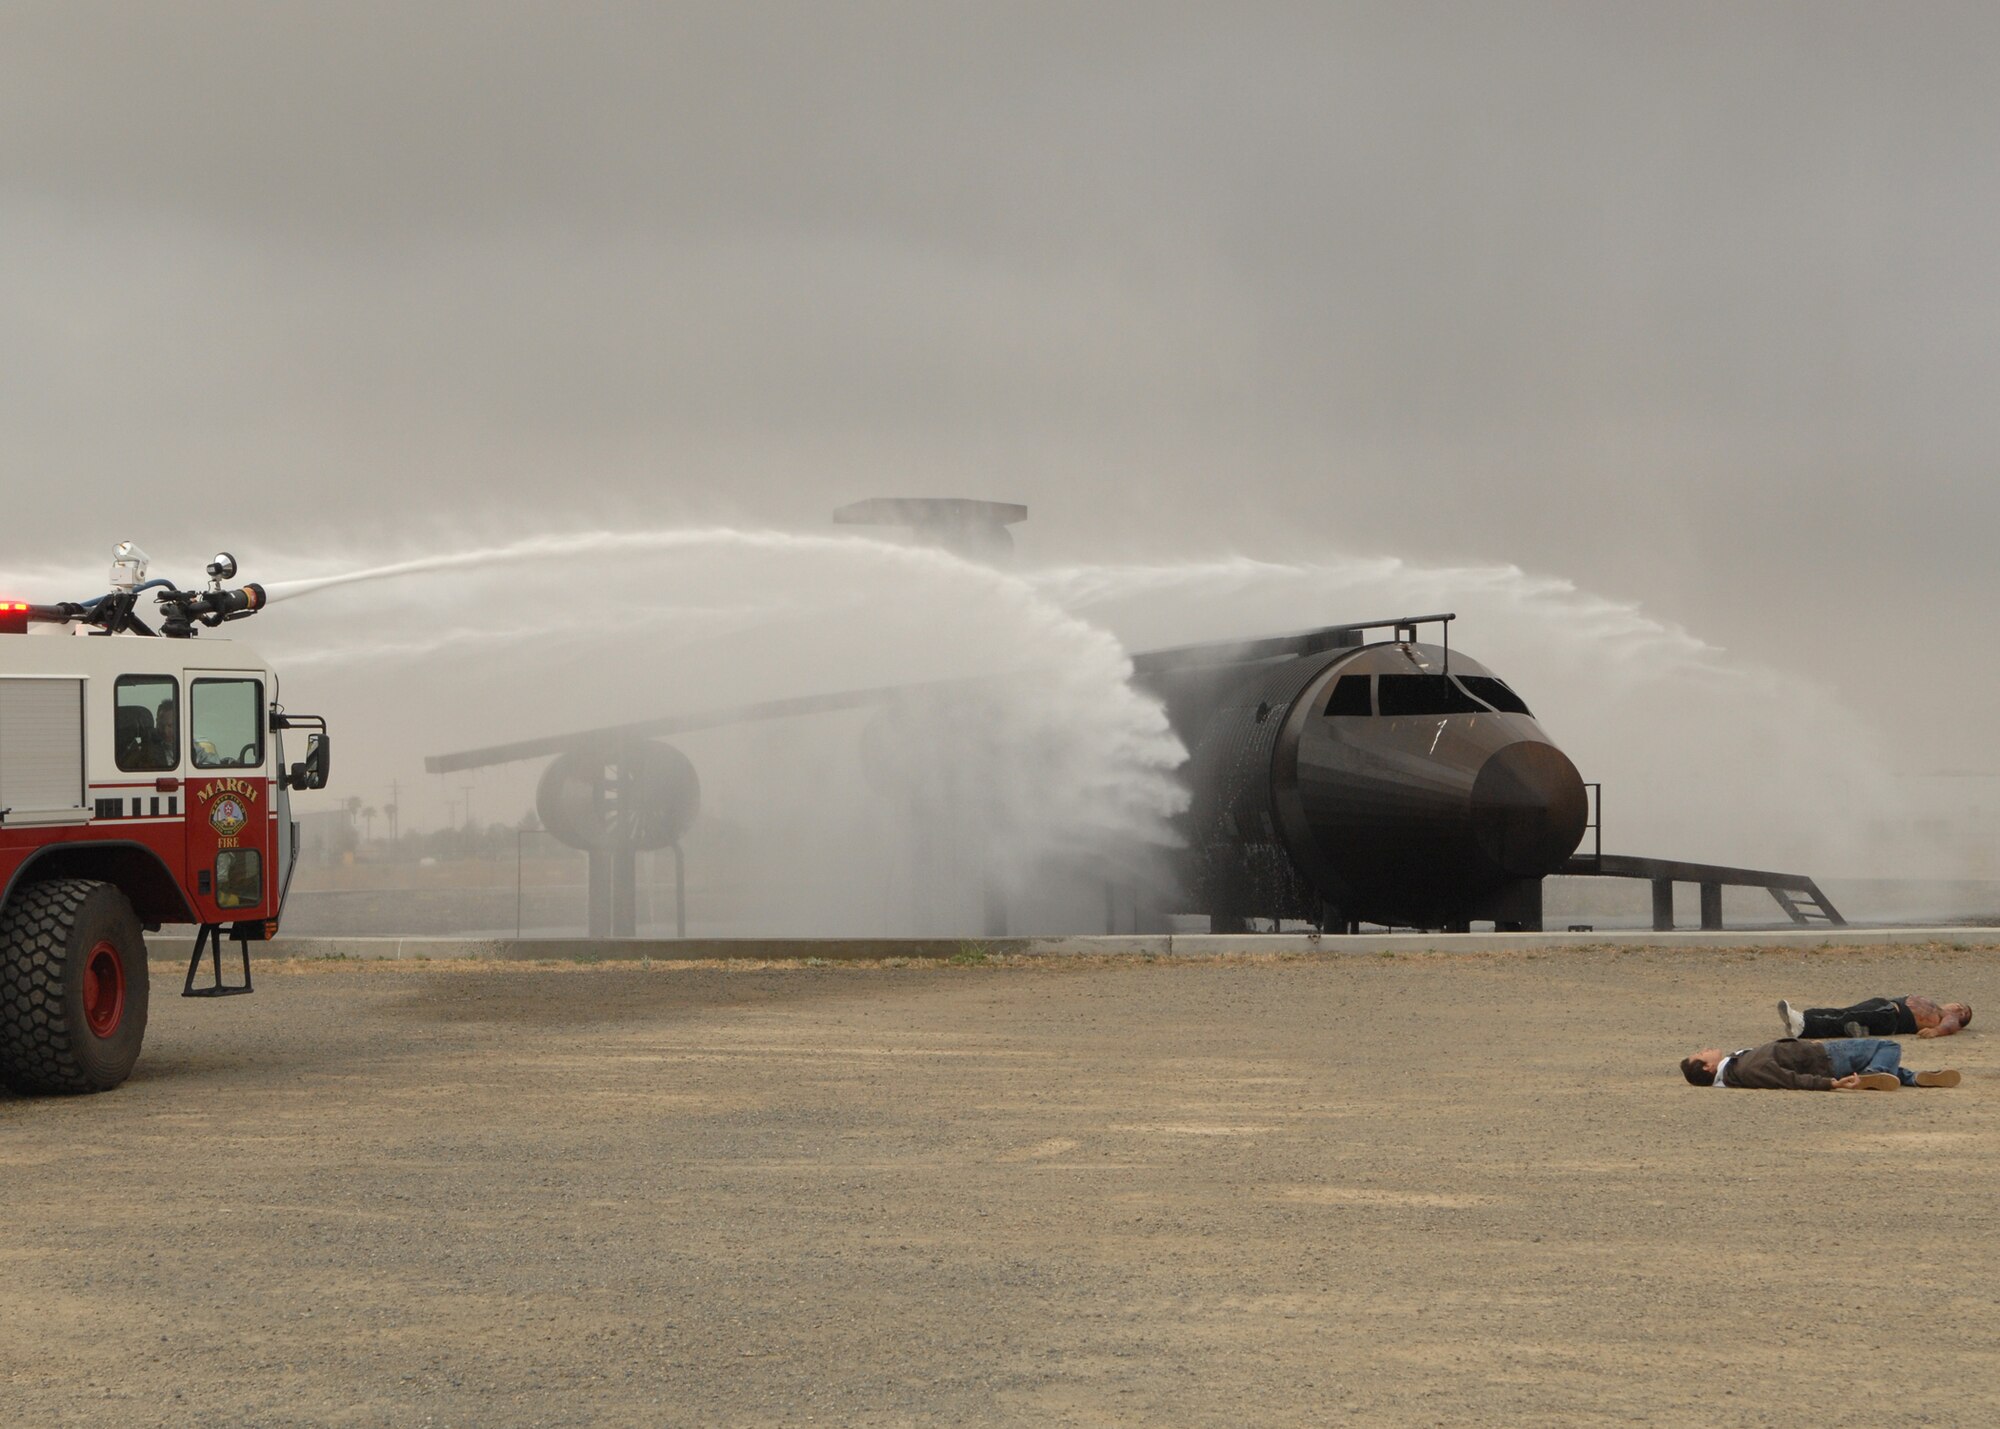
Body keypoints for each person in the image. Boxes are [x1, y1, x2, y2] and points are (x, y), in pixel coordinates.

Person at [1679, 1036, 1960, 1090]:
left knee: (1882, 1058)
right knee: (1887, 1046)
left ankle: (1912, 1078)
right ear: (1708, 1068)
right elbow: (1787, 1080)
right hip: (1825, 1058)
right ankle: (1873, 1076)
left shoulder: (1735, 1070)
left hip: (1821, 1059)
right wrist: (1830, 1083)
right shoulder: (1745, 1069)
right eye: (1702, 1053)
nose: (1706, 1048)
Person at [1777, 996, 1971, 1040]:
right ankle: (1801, 1018)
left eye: (1963, 1012)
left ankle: (1803, 1025)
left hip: (1891, 1015)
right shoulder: (1936, 1007)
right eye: (1960, 1005)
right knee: (1844, 1015)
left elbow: (1951, 1025)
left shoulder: (1948, 1018)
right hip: (1885, 1007)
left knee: (1847, 1016)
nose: (1959, 1008)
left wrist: (1937, 1031)